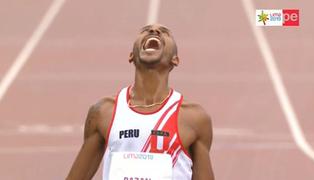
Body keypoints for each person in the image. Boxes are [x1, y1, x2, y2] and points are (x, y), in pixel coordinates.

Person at [66, 24, 214, 180]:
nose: (154, 31)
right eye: (145, 30)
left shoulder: (194, 118)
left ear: (175, 60)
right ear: (131, 56)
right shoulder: (104, 112)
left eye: (164, 32)